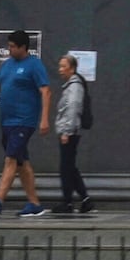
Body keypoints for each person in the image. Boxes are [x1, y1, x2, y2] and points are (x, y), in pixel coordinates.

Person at [0, 29, 51, 217]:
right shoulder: (7, 65)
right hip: (7, 122)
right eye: (9, 46)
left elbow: (45, 91)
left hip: (23, 121)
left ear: (23, 47)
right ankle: (34, 204)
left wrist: (44, 119)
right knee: (21, 162)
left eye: (12, 46)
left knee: (10, 159)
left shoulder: (34, 65)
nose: (9, 49)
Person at [47, 49, 95, 219]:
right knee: (70, 168)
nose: (60, 69)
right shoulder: (71, 85)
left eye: (63, 66)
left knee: (66, 169)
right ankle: (85, 200)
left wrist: (66, 132)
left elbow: (73, 109)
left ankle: (67, 203)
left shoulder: (74, 87)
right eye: (59, 66)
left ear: (72, 69)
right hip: (69, 131)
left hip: (69, 132)